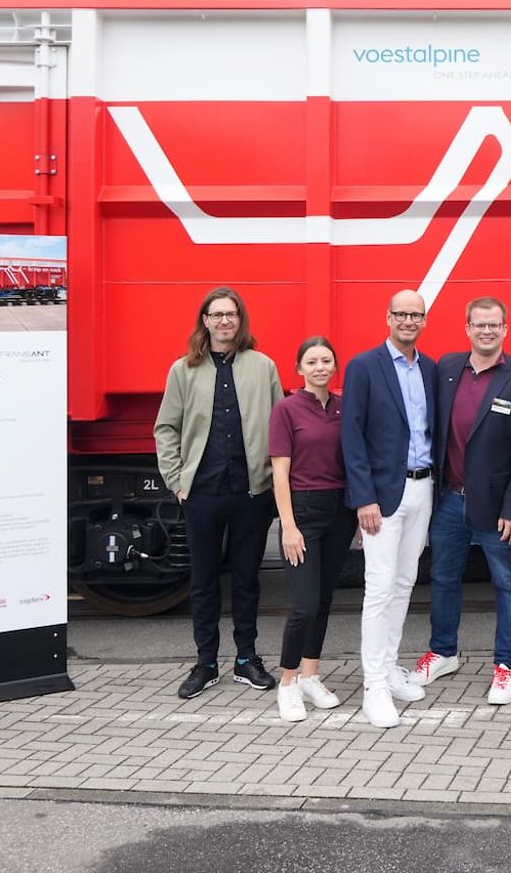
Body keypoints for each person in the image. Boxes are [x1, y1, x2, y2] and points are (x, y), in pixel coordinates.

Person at [153, 287, 285, 700]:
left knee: (247, 579)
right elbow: (165, 428)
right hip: (202, 493)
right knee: (204, 581)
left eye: (231, 314)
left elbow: (281, 426)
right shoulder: (183, 370)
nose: (225, 321)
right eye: (217, 315)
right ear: (205, 321)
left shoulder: (263, 367)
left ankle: (246, 659)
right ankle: (206, 662)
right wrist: (176, 480)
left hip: (251, 492)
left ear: (240, 321)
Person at [412, 297, 511, 705]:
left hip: (498, 507)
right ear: (467, 327)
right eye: (479, 324)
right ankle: (443, 652)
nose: (487, 331)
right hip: (449, 499)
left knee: (509, 584)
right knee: (444, 578)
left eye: (494, 325)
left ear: (506, 330)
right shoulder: (447, 369)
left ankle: (506, 666)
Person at [341, 291, 440, 729]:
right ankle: (373, 687)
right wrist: (364, 497)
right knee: (379, 588)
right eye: (401, 313)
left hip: (423, 488)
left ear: (423, 320)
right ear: (388, 317)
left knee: (404, 584)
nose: (408, 320)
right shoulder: (364, 366)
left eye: (415, 314)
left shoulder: (431, 368)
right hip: (382, 496)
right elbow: (352, 436)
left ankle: (391, 668)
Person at [267, 337, 358, 723]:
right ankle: (286, 683)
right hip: (303, 512)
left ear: (334, 367)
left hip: (339, 511)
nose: (320, 367)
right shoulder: (286, 410)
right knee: (303, 605)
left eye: (326, 361)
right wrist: (288, 526)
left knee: (322, 601)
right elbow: (280, 475)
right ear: (299, 369)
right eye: (312, 361)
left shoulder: (343, 408)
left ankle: (310, 675)